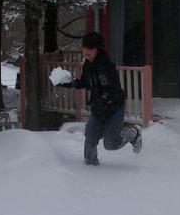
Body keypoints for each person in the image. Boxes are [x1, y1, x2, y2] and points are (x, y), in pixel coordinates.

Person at [58, 32, 142, 165]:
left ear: (97, 49)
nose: (86, 52)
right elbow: (85, 82)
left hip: (114, 107)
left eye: (90, 49)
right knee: (90, 138)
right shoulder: (88, 64)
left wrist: (102, 102)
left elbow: (112, 91)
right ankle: (91, 166)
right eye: (85, 48)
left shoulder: (106, 66)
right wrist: (68, 83)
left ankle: (133, 133)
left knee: (110, 144)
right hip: (99, 107)